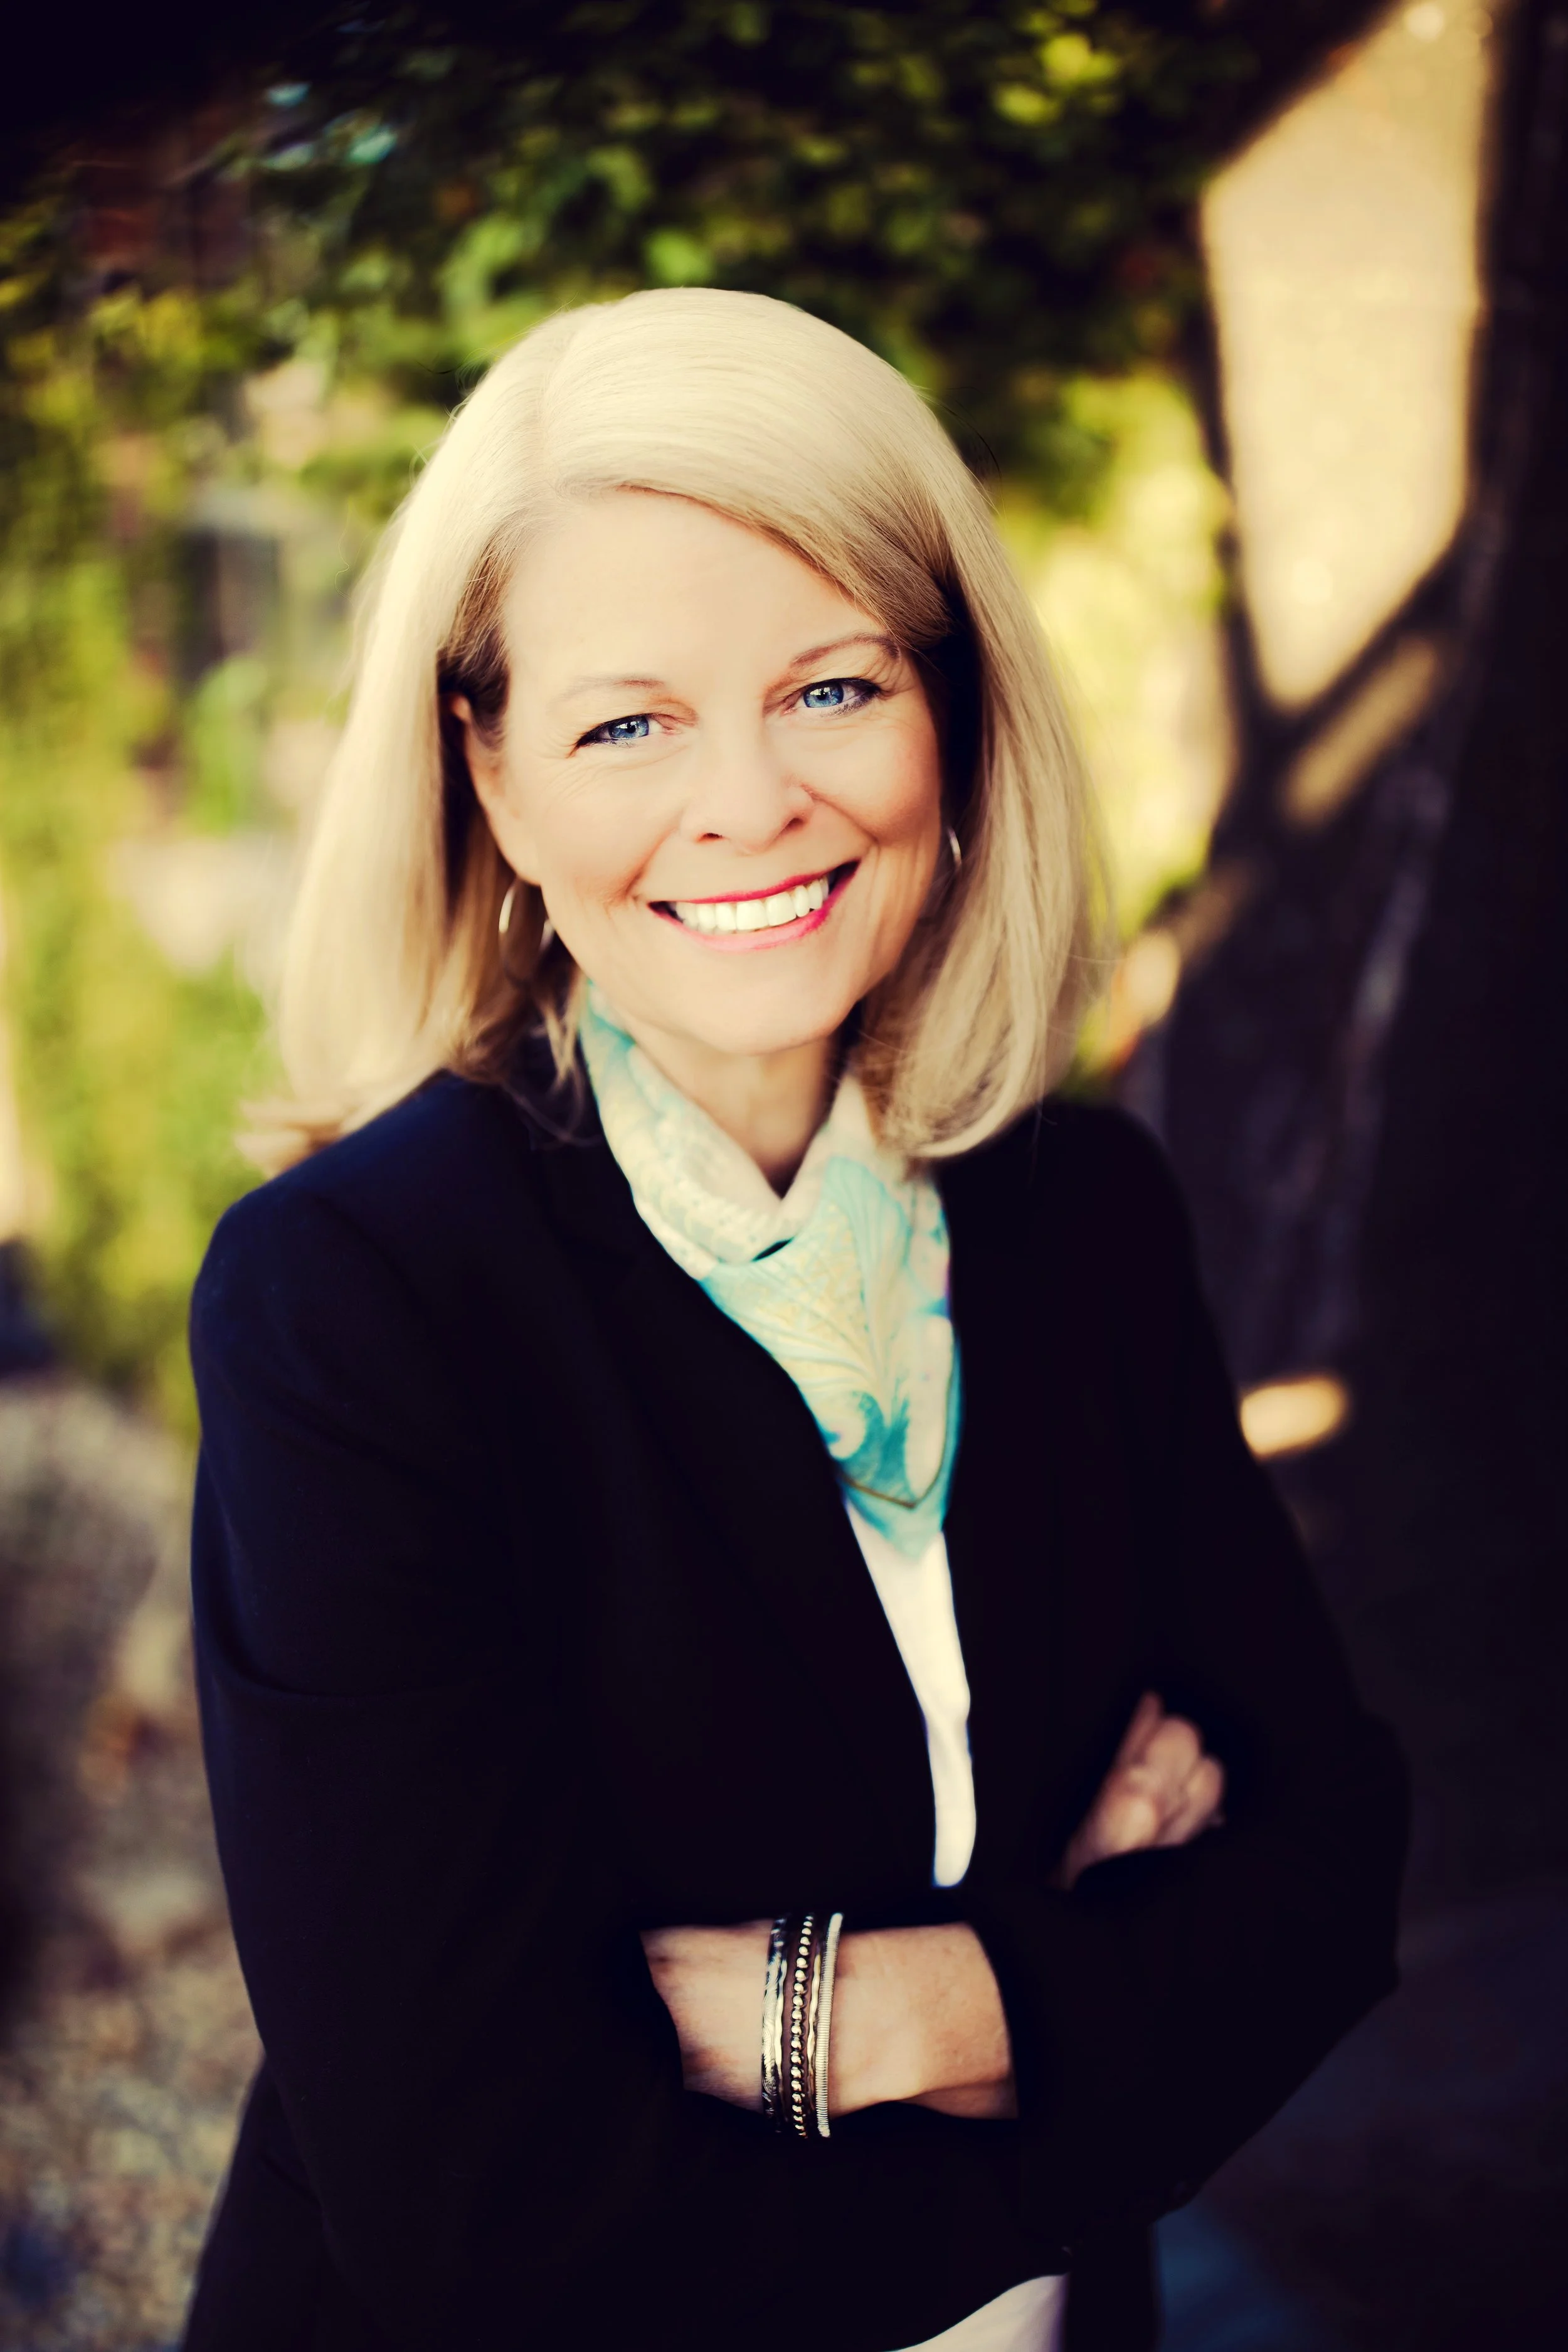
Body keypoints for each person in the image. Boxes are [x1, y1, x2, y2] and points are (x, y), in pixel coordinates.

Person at [182, 289, 1407, 2352]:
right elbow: (498, 2216)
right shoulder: (358, 1302)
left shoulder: (1080, 1212)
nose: (747, 802)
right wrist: (1085, 1999)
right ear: (490, 773)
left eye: (831, 683)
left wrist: (852, 2018)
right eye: (627, 723)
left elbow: (1329, 1876)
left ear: (954, 707)